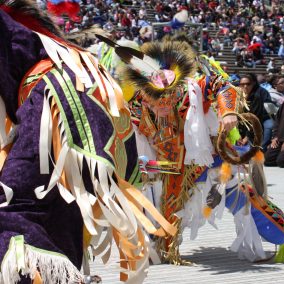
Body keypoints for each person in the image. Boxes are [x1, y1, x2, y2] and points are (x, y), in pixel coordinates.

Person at [0, 1, 175, 283]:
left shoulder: (36, 57)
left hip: (60, 108)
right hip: (89, 122)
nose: (164, 105)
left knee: (18, 211)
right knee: (56, 214)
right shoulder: (66, 61)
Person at [107, 36, 284, 266]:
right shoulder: (137, 104)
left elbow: (222, 86)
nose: (161, 106)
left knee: (247, 203)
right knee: (164, 222)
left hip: (213, 164)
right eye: (154, 101)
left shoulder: (193, 90)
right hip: (173, 173)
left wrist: (227, 113)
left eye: (166, 99)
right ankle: (161, 247)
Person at [238, 74, 274, 149]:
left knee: (269, 127)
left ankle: (262, 148)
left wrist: (247, 137)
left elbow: (255, 118)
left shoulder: (259, 94)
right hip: (244, 125)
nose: (245, 86)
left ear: (253, 84)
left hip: (263, 118)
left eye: (248, 84)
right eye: (242, 84)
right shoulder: (238, 95)